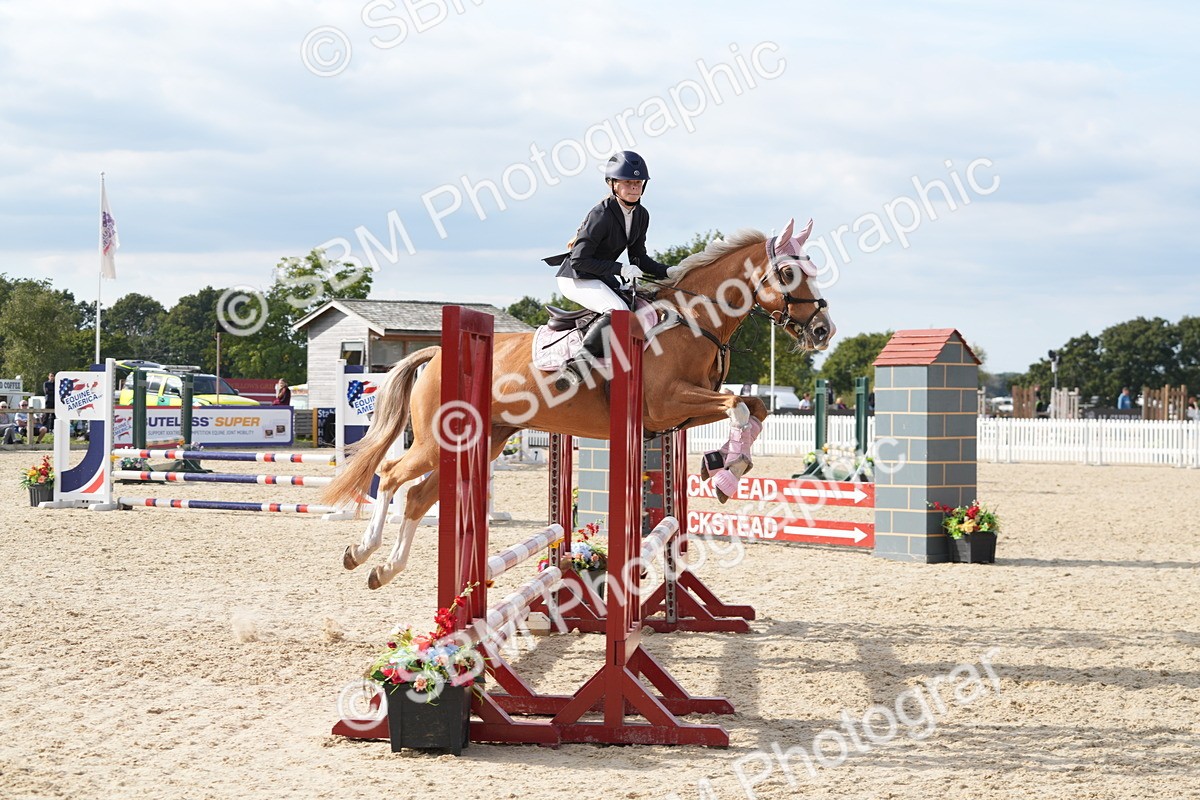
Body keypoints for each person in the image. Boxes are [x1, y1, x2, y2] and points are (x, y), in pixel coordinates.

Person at [542, 150, 671, 391]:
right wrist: (620, 268)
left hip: (600, 276)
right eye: (628, 182)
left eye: (638, 182)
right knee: (618, 310)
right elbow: (580, 260)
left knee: (640, 303)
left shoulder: (641, 215)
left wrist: (670, 271)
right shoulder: (601, 214)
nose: (634, 187)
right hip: (575, 276)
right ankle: (576, 367)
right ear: (613, 185)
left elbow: (639, 257)